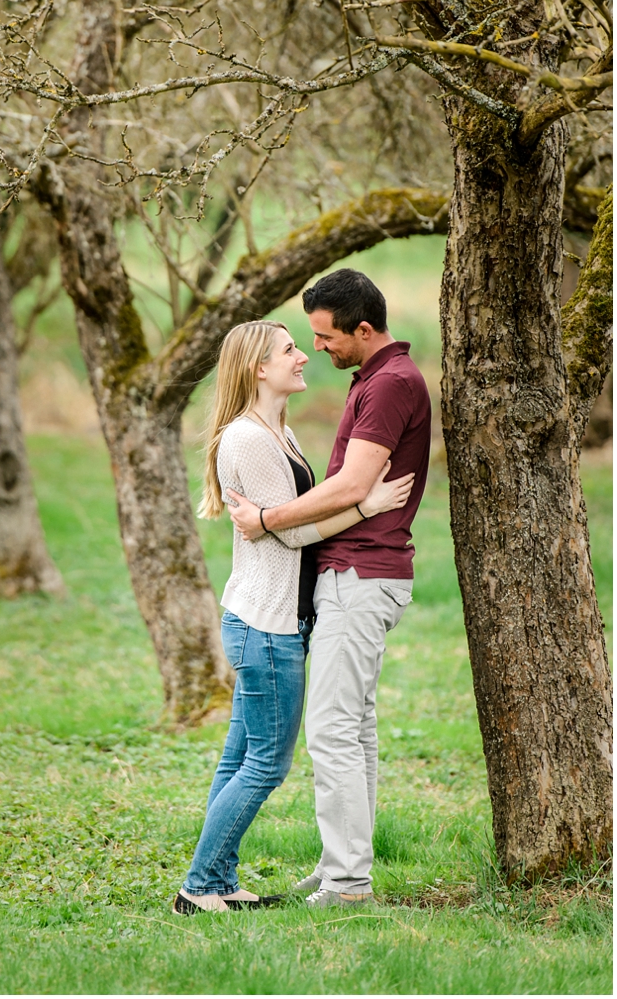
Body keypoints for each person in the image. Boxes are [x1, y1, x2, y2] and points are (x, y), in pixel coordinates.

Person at [173, 317, 414, 916]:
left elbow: (286, 518)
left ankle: (215, 881)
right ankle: (200, 886)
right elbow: (292, 532)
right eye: (289, 350)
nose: (303, 356)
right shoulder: (249, 440)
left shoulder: (274, 431)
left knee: (239, 757)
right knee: (265, 764)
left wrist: (343, 503)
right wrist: (367, 503)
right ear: (259, 367)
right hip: (266, 624)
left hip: (266, 619)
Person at [227, 269, 431, 910]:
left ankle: (347, 884)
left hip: (360, 576)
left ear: (362, 330)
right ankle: (343, 868)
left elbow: (350, 489)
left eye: (323, 336)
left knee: (333, 730)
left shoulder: (391, 383)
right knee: (356, 728)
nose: (317, 347)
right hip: (358, 573)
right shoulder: (375, 379)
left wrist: (264, 520)